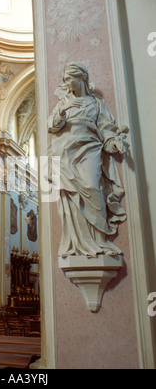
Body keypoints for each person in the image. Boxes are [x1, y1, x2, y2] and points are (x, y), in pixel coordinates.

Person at [48, 62, 128, 258]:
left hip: (90, 149)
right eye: (64, 79)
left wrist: (112, 142)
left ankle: (100, 240)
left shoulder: (96, 103)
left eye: (69, 79)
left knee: (93, 188)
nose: (66, 83)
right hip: (66, 151)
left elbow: (105, 127)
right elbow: (52, 126)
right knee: (71, 196)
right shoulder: (63, 103)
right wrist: (62, 110)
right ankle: (79, 244)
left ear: (81, 78)